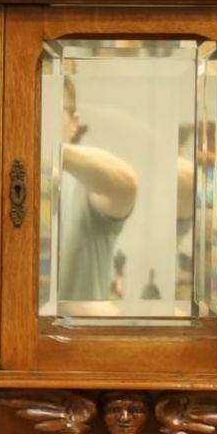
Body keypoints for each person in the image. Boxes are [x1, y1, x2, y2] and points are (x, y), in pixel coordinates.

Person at [57, 68, 138, 311]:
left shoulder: (84, 187)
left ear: (74, 123)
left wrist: (48, 150)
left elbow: (125, 185)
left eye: (47, 113)